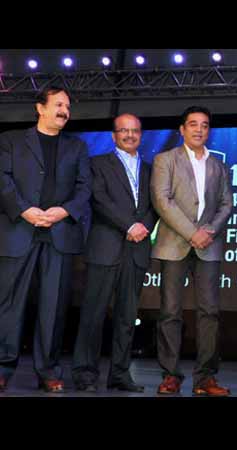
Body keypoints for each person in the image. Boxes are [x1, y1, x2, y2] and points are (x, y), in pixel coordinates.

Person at [0, 86, 91, 393]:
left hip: (59, 234)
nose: (64, 110)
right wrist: (24, 210)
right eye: (58, 104)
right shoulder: (11, 140)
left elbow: (84, 188)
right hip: (19, 232)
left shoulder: (77, 146)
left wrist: (63, 211)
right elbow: (3, 180)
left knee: (53, 309)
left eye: (67, 106)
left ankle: (48, 372)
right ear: (40, 108)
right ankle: (2, 367)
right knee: (9, 305)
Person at [71, 113, 157, 393]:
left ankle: (120, 374)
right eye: (123, 130)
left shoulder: (149, 169)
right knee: (93, 315)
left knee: (126, 318)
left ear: (140, 135)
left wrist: (143, 225)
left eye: (134, 131)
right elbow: (99, 199)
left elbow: (156, 205)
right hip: (105, 248)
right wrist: (129, 224)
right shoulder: (97, 164)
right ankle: (85, 373)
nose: (129, 135)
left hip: (136, 250)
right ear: (114, 135)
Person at [150, 106, 232, 396]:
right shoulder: (165, 159)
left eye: (205, 125)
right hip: (175, 244)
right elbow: (162, 200)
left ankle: (205, 378)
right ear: (182, 129)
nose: (199, 130)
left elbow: (226, 204)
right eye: (193, 124)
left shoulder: (219, 166)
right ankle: (170, 374)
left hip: (208, 246)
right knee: (170, 312)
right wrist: (192, 232)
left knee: (209, 312)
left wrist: (208, 231)